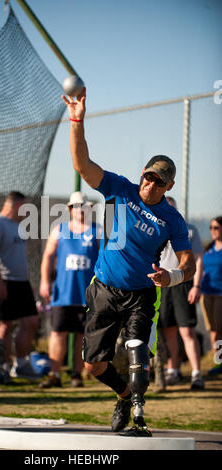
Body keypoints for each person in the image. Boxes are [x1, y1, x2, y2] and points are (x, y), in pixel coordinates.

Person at [62, 88, 196, 436]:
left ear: (169, 185)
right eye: (149, 176)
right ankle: (123, 395)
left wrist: (173, 277)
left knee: (138, 352)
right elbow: (82, 164)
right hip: (104, 288)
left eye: (159, 181)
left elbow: (188, 262)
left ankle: (139, 414)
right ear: (143, 173)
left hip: (141, 295)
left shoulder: (172, 219)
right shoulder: (119, 189)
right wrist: (76, 119)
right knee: (93, 365)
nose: (151, 184)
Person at [39, 191, 100, 388]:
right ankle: (54, 374)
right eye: (77, 206)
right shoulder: (59, 230)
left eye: (85, 206)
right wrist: (45, 282)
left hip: (88, 294)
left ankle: (77, 374)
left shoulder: (97, 231)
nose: (81, 210)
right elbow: (48, 256)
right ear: (70, 209)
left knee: (83, 335)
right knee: (58, 332)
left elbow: (105, 260)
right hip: (63, 292)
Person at [0, 191, 39, 380]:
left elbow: (19, 258)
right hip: (3, 280)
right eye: (24, 207)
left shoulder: (19, 226)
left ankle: (21, 364)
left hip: (21, 282)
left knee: (31, 322)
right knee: (5, 325)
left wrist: (27, 281)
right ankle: (3, 367)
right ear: (15, 206)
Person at [159, 197, 205, 389]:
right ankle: (173, 371)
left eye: (172, 208)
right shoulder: (157, 229)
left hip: (182, 283)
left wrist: (196, 286)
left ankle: (196, 374)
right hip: (161, 286)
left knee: (186, 330)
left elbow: (199, 259)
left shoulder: (189, 229)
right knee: (168, 331)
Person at [200, 216, 222, 375]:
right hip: (206, 293)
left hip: (221, 294)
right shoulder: (208, 249)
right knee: (213, 330)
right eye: (211, 228)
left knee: (219, 329)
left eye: (216, 227)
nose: (213, 231)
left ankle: (219, 362)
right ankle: (218, 361)